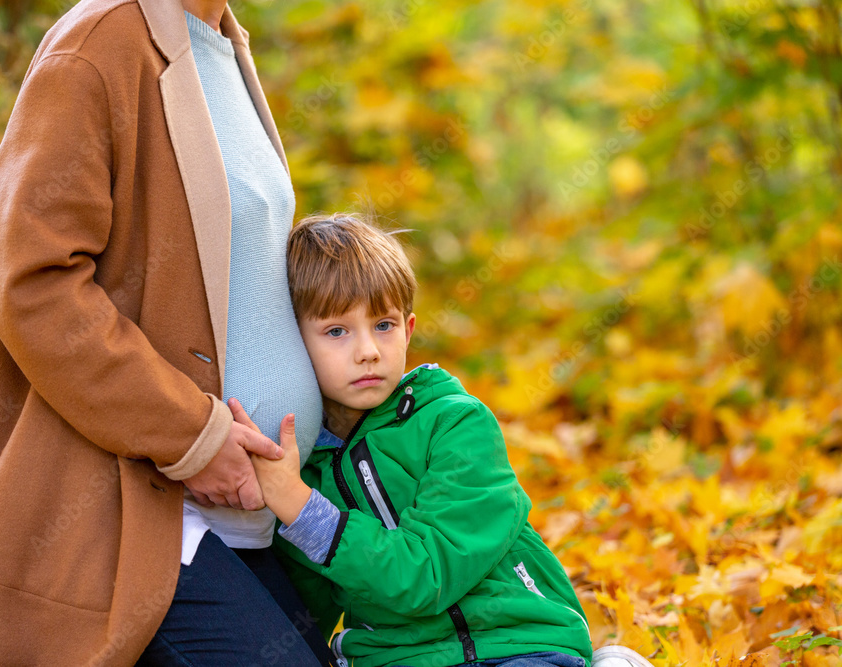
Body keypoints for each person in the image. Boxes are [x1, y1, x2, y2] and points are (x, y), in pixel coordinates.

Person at [0, 0, 331, 665]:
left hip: (247, 512)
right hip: (125, 509)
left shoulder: (221, 41)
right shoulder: (97, 45)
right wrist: (191, 436)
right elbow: (34, 285)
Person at [230, 213, 654, 667]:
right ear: (294, 345)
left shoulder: (456, 425)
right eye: (337, 331)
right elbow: (303, 615)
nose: (368, 350)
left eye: (384, 325)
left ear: (408, 330)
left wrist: (299, 506)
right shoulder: (305, 466)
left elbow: (428, 576)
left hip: (514, 644)